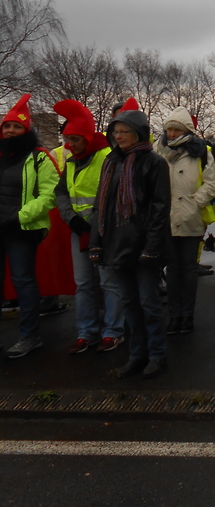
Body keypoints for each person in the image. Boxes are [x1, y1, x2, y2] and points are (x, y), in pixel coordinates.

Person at [91, 104, 172, 378]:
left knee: (149, 304)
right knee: (129, 303)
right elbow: (99, 206)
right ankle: (137, 354)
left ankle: (157, 354)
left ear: (139, 133)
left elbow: (160, 208)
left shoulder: (154, 163)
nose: (119, 136)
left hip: (143, 246)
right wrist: (96, 242)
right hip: (116, 244)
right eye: (116, 131)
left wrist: (151, 247)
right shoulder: (110, 162)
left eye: (125, 131)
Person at [53, 99, 124, 354]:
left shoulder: (108, 157)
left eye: (74, 140)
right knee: (83, 283)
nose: (69, 146)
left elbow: (113, 195)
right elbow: (60, 192)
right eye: (67, 140)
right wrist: (71, 218)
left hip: (103, 230)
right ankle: (86, 332)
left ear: (86, 137)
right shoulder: (72, 161)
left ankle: (114, 330)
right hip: (78, 230)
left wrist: (91, 224)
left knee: (108, 281)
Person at [0, 94, 59, 359]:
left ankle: (30, 336)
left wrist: (19, 216)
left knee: (23, 280)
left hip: (21, 230)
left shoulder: (39, 158)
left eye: (16, 126)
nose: (10, 130)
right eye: (6, 126)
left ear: (26, 129)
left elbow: (49, 195)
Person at [154, 107, 215, 335]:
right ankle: (174, 316)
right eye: (168, 129)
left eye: (176, 129)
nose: (171, 134)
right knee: (172, 270)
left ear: (186, 130)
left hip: (191, 217)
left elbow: (212, 184)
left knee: (189, 269)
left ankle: (187, 315)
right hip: (166, 218)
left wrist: (195, 202)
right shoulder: (157, 150)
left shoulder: (201, 151)